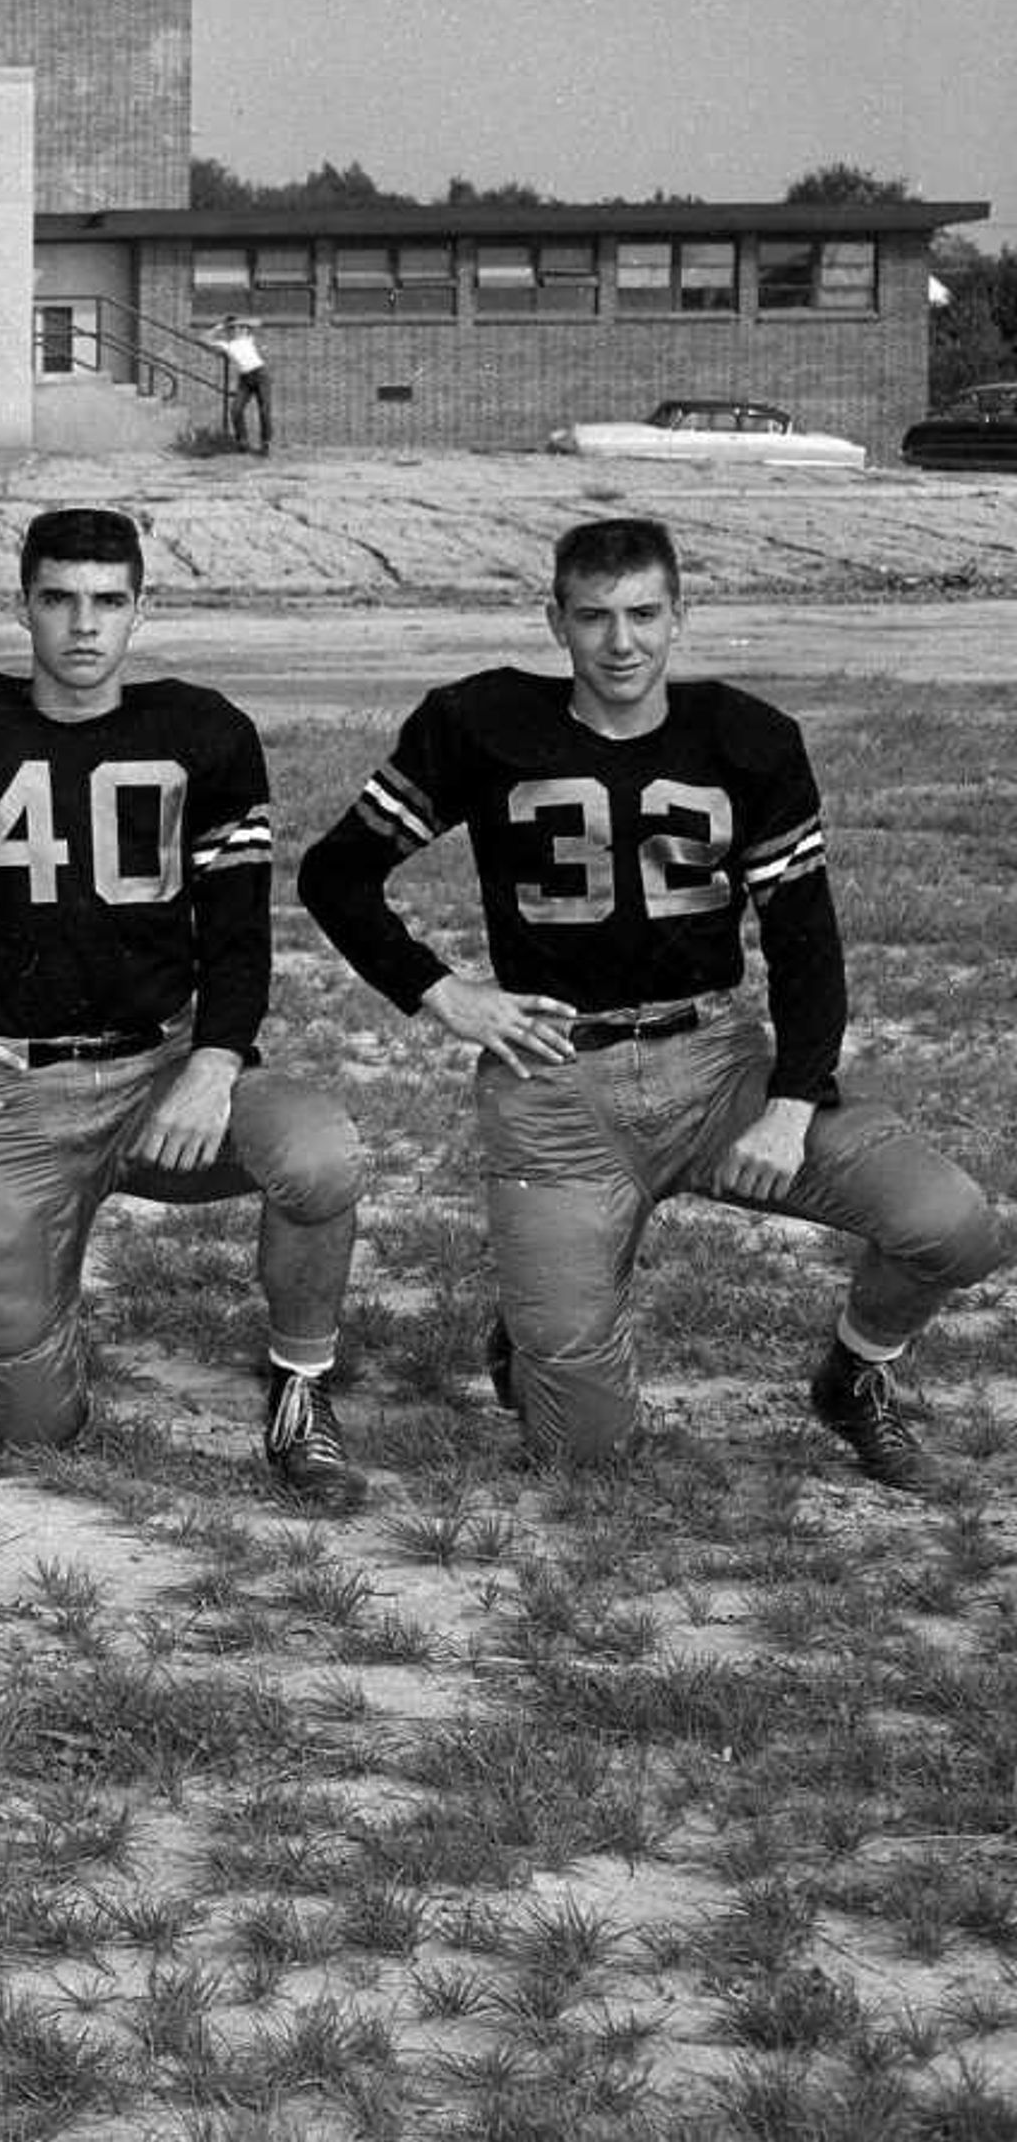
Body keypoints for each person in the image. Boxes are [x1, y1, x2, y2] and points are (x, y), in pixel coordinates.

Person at [300, 516, 1005, 1487]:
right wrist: (443, 992)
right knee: (581, 1450)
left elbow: (806, 941)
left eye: (642, 614)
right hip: (556, 1088)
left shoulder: (746, 739)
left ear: (680, 616)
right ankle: (544, 1317)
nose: (620, 641)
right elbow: (336, 873)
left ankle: (857, 1373)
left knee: (951, 1221)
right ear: (557, 621)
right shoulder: (482, 723)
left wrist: (793, 1102)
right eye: (594, 616)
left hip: (716, 1065)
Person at [0, 507, 371, 1509]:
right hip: (7, 1089)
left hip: (161, 1071)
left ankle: (302, 1385)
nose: (82, 626)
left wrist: (216, 1062)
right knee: (30, 1427)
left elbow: (235, 932)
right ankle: (24, 1298)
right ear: (23, 605)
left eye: (107, 601)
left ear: (142, 607)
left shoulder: (203, 730)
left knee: (323, 1155)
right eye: (58, 599)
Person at [211, 314, 271, 453]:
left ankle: (266, 443)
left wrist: (240, 322)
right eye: (232, 329)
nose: (236, 330)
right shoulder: (226, 345)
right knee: (236, 409)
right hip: (245, 378)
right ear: (228, 331)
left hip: (260, 374)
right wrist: (219, 326)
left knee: (264, 409)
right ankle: (242, 441)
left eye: (238, 328)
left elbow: (259, 321)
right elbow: (202, 338)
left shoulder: (248, 338)